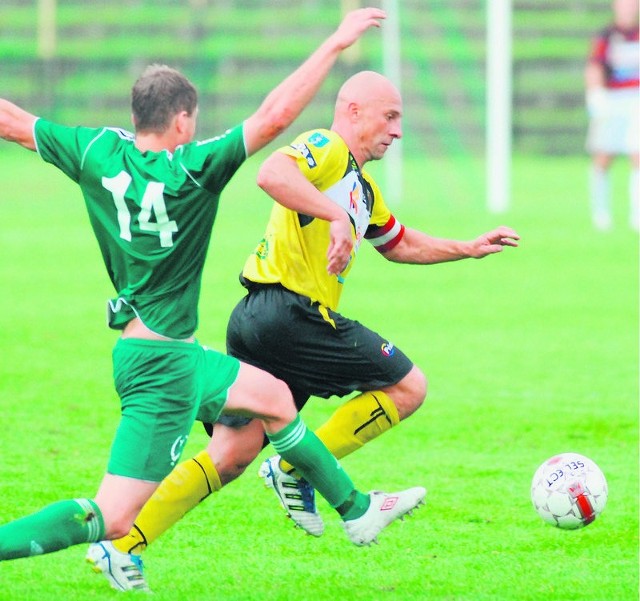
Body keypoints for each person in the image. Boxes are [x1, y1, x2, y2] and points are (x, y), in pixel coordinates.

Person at [0, 7, 427, 588]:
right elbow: (274, 117)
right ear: (182, 121)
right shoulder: (193, 170)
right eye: (193, 122)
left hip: (167, 353)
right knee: (110, 514)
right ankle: (85, 545)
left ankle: (356, 510)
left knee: (275, 400)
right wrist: (335, 41)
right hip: (162, 370)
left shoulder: (95, 151)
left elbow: (15, 121)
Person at [87, 69, 519, 592]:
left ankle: (122, 545)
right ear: (353, 111)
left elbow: (399, 243)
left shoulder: (363, 188)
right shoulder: (327, 147)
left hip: (258, 321)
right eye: (390, 116)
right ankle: (295, 471)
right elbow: (271, 173)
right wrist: (334, 216)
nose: (397, 130)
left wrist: (467, 248)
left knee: (231, 453)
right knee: (408, 387)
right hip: (288, 315)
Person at [585, 0, 639, 231]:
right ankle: (601, 214)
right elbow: (594, 67)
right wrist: (595, 96)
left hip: (636, 100)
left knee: (637, 156)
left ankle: (637, 215)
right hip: (612, 100)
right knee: (603, 157)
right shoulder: (606, 36)